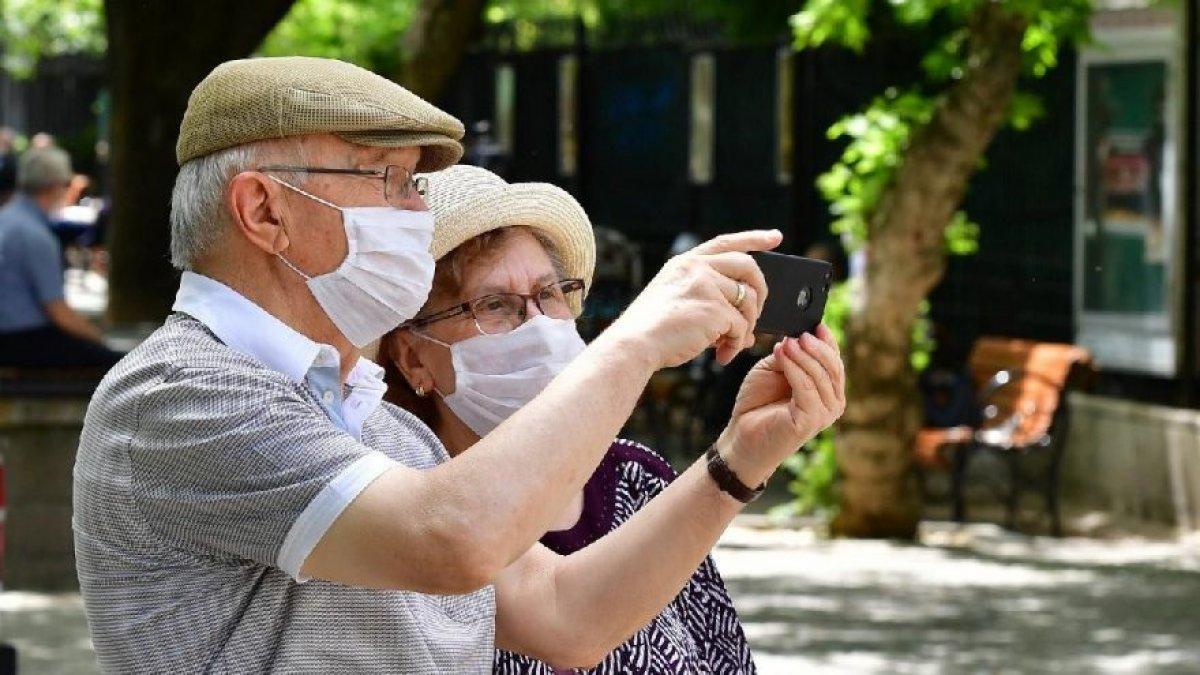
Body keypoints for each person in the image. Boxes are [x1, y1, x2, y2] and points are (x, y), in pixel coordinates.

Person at [74, 57, 845, 673]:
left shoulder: (380, 428)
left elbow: (567, 616)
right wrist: (635, 341)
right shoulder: (180, 392)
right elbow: (451, 539)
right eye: (391, 180)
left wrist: (739, 459)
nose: (417, 211)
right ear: (263, 210)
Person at [379, 165, 756, 672]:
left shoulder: (635, 478)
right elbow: (564, 618)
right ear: (412, 358)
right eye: (495, 305)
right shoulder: (399, 501)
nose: (536, 325)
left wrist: (755, 442)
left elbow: (723, 659)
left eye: (550, 294)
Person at [0, 147, 121, 368]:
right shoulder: (35, 235)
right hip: (20, 339)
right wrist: (99, 340)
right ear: (55, 186)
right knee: (114, 364)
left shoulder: (8, 219)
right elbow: (58, 312)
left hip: (12, 335)